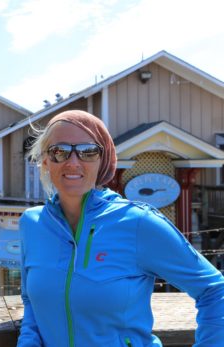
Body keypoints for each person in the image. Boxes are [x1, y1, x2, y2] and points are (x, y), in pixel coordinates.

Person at [17, 110, 224, 346]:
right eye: (59, 151)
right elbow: (31, 301)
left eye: (88, 151)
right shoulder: (31, 224)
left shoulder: (138, 222)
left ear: (102, 160)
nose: (73, 162)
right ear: (45, 160)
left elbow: (215, 291)